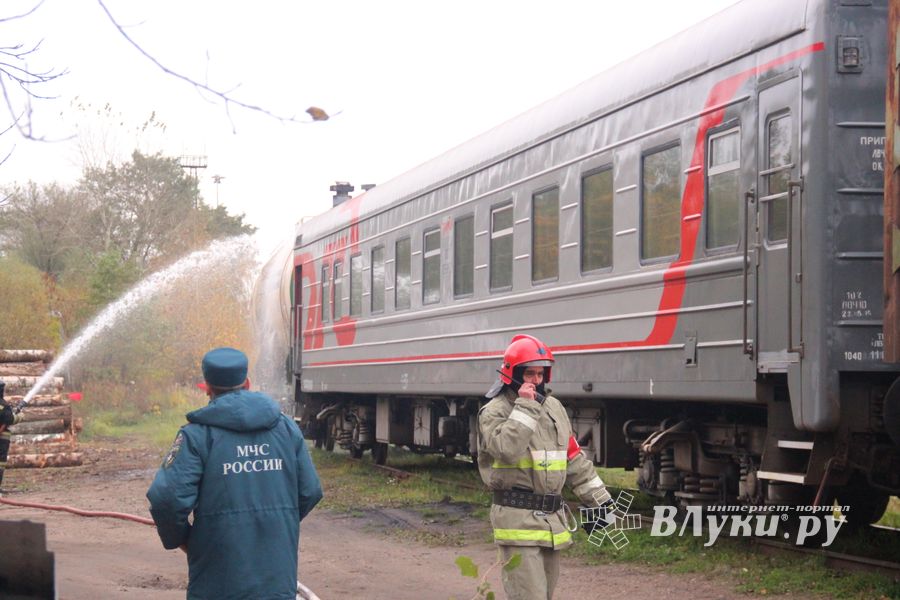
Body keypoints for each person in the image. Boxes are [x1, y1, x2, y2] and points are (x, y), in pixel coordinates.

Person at [147, 347, 323, 600]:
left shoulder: (196, 436)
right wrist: (275, 525)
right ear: (248, 383)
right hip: (275, 573)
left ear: (207, 387)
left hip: (218, 580)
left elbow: (166, 498)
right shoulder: (285, 428)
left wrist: (186, 540)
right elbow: (310, 491)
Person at [477, 334, 610, 600]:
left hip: (550, 523)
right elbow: (506, 449)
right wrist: (526, 407)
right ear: (512, 374)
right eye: (529, 374)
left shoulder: (554, 408)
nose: (536, 381)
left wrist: (600, 503)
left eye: (541, 373)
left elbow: (573, 458)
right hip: (517, 521)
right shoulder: (494, 411)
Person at [0, 382, 23, 491]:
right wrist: (19, 416)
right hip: (2, 440)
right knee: (1, 463)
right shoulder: (4, 405)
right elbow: (9, 420)